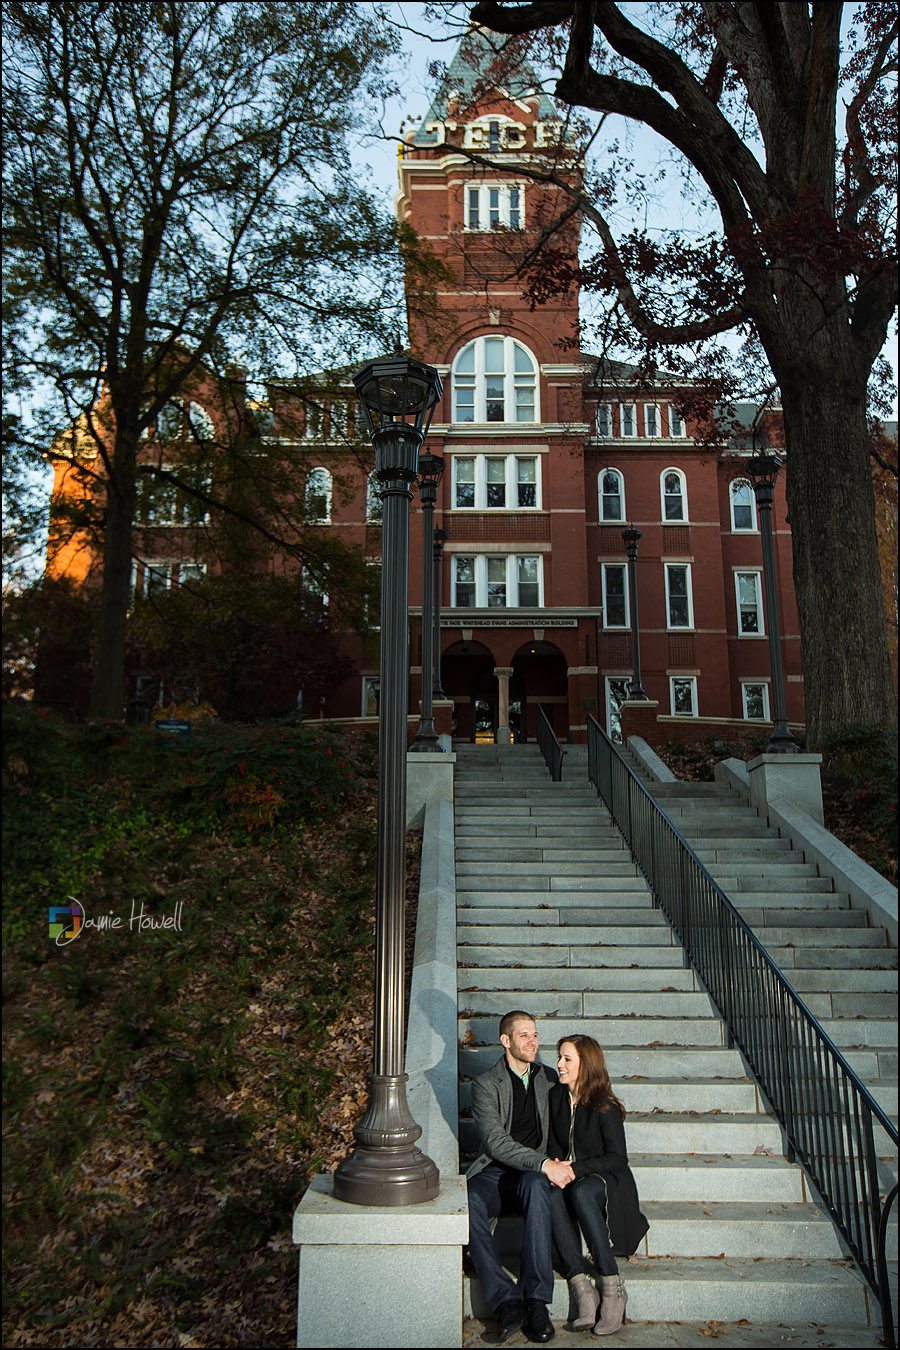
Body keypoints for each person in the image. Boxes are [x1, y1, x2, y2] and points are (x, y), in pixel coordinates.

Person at [467, 1010, 575, 1344]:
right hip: (496, 1173)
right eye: (524, 1035)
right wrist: (544, 1164)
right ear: (506, 1040)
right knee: (467, 1198)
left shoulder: (548, 1079)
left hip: (531, 1177)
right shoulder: (485, 1085)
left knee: (536, 1185)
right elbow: (495, 1142)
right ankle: (506, 1302)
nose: (532, 1042)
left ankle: (537, 1301)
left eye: (535, 1035)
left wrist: (560, 1162)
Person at [547, 1035, 649, 1336]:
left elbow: (618, 1158)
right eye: (559, 1057)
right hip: (573, 1176)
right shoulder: (556, 1097)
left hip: (607, 1180)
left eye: (567, 1059)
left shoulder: (605, 1106)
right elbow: (554, 1143)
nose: (559, 1064)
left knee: (580, 1191)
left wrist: (575, 1169)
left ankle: (611, 1286)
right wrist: (555, 1166)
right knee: (550, 1193)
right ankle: (582, 1287)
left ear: (586, 1065)